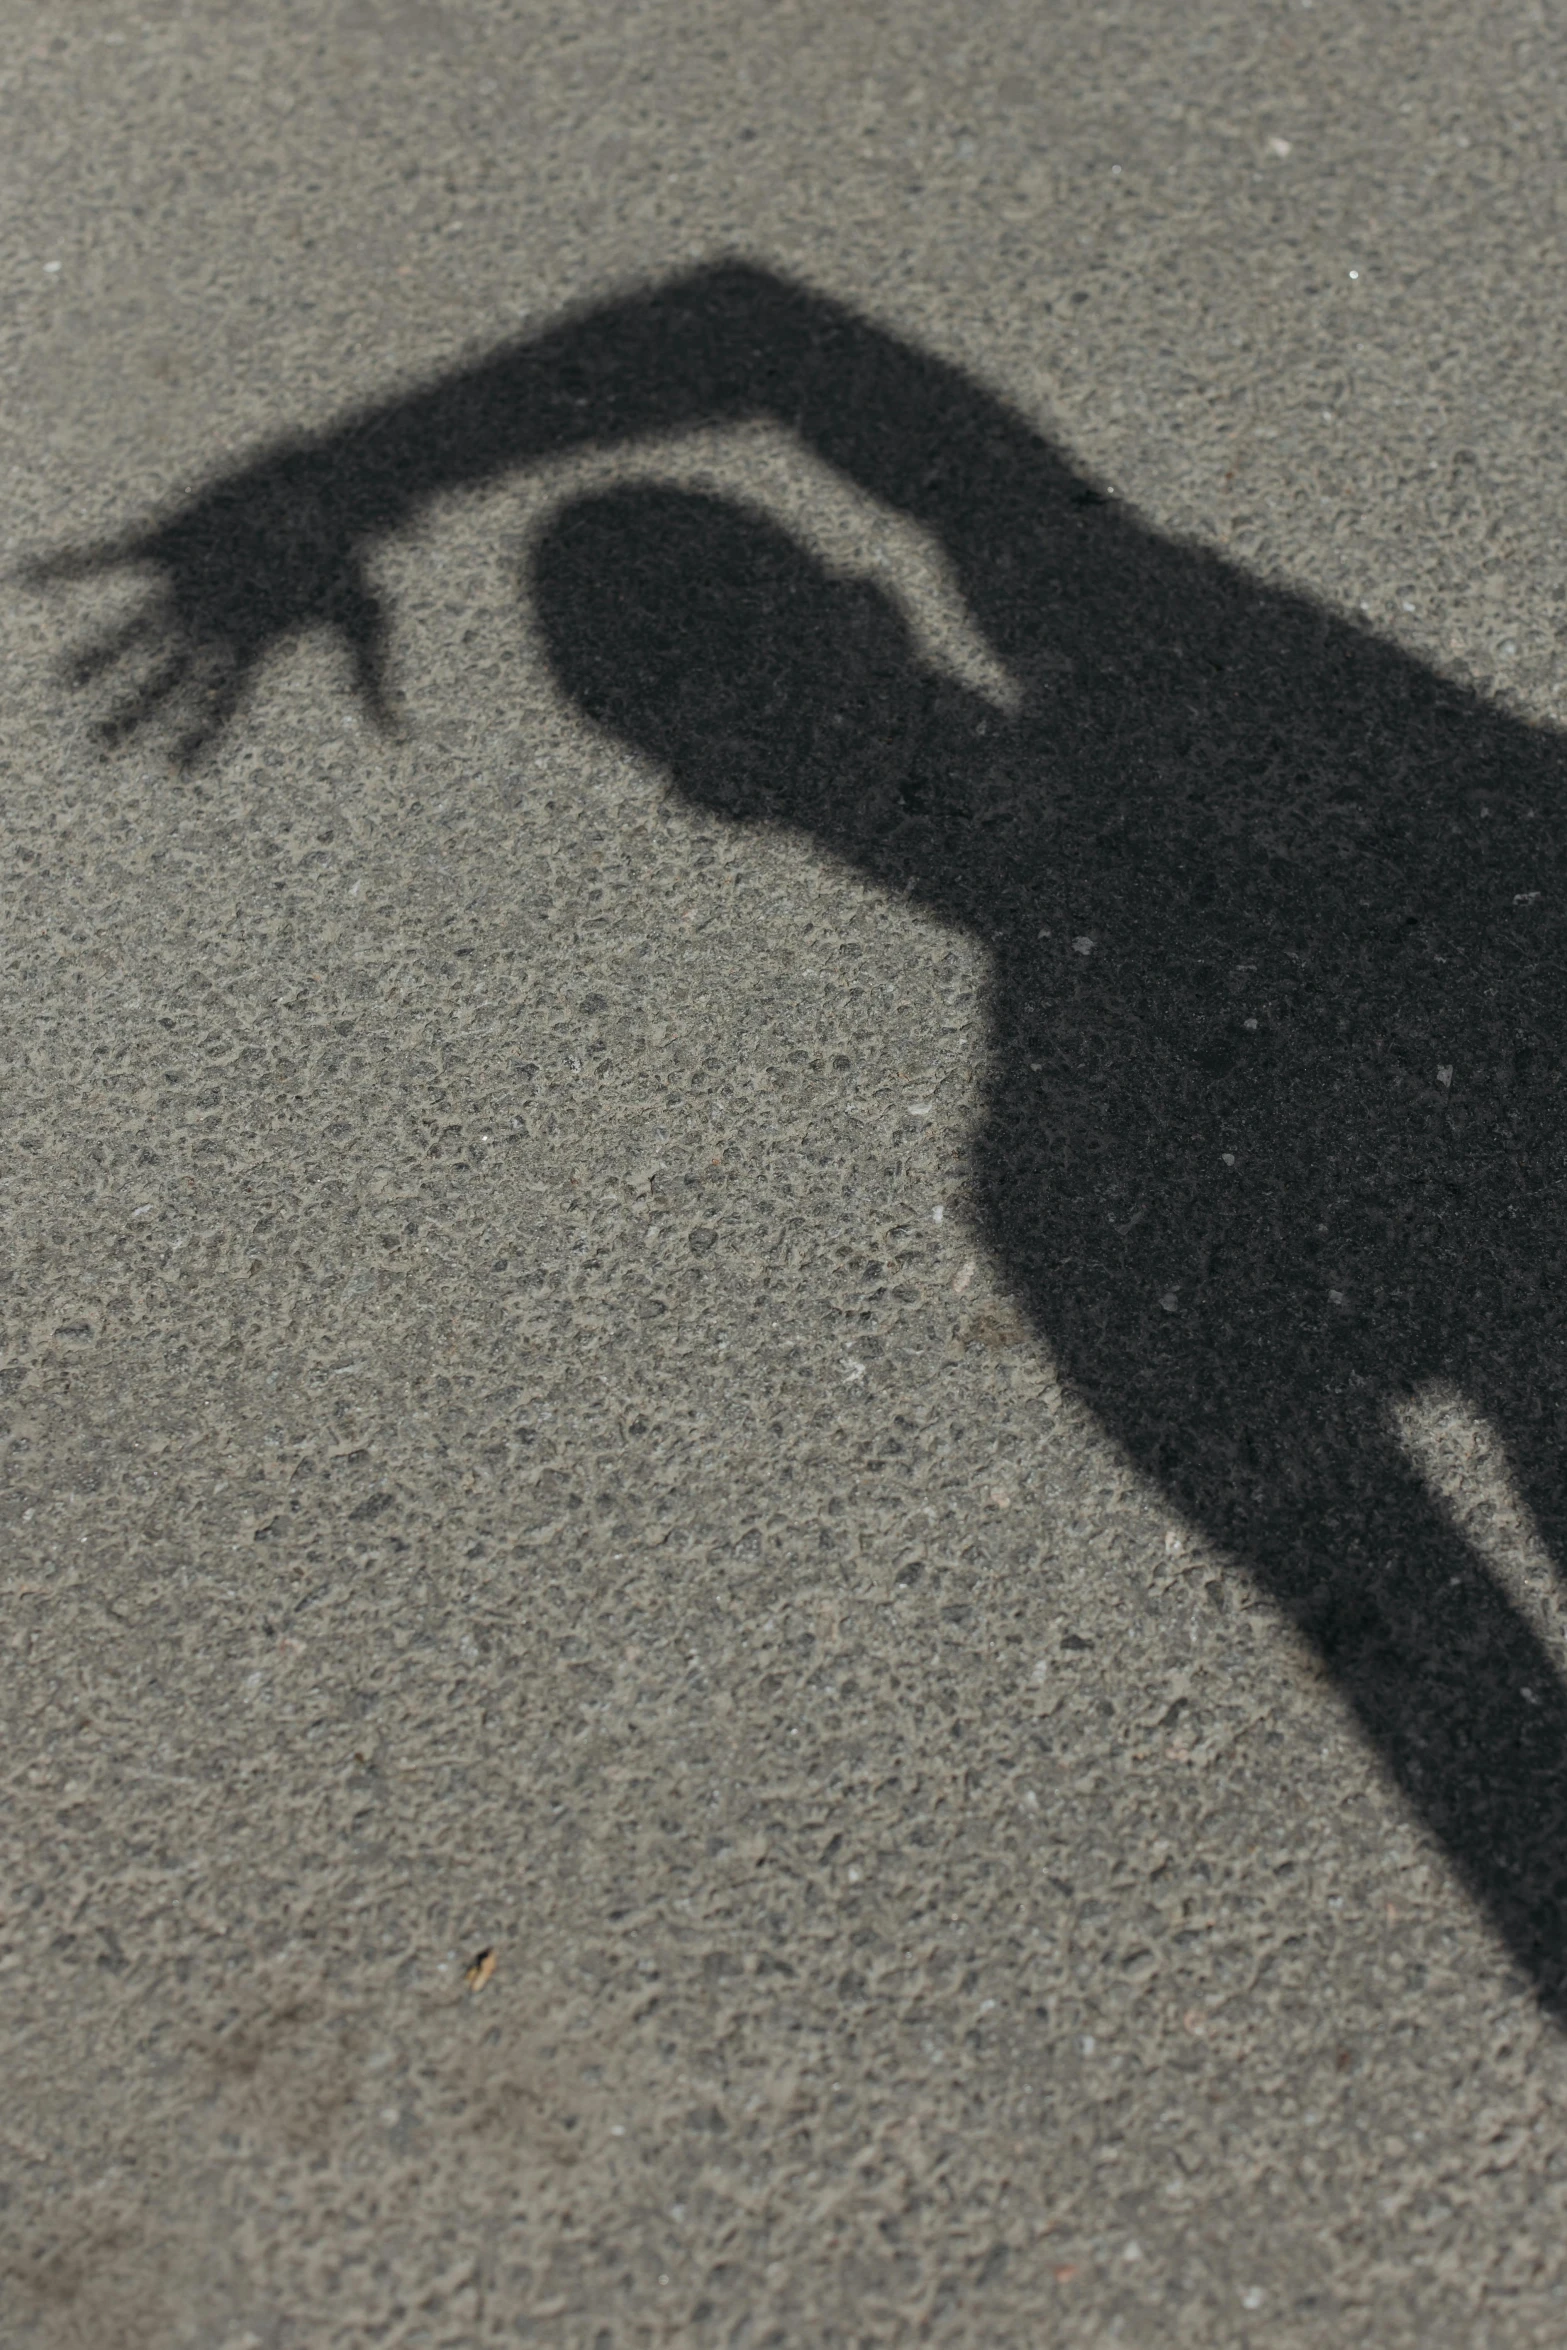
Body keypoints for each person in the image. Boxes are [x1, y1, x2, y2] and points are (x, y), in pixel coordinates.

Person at [33, 259, 1567, 2006]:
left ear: (708, 798)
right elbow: (763, 338)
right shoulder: (1156, 654)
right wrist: (346, 478)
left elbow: (1458, 1714)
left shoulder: (1076, 1182)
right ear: (865, 598)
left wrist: (340, 483)